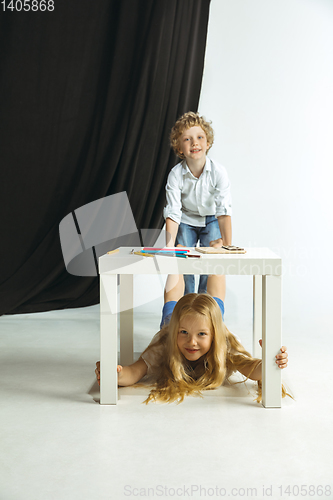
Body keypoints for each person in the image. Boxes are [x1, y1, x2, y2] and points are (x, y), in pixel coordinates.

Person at [95, 274, 289, 405]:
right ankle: (178, 261)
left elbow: (251, 368)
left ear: (214, 335)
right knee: (172, 301)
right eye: (184, 333)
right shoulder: (166, 341)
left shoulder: (223, 344)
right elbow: (135, 371)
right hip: (173, 321)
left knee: (216, 301)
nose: (192, 342)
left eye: (202, 335)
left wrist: (270, 362)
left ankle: (215, 257)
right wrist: (116, 374)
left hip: (207, 320)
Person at [163, 111, 232, 295]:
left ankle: (206, 306)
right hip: (186, 219)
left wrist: (227, 244)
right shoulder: (176, 175)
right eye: (187, 139)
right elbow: (173, 212)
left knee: (211, 265)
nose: (194, 142)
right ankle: (188, 303)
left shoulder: (218, 172)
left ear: (207, 143)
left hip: (211, 219)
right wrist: (169, 247)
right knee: (184, 264)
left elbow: (223, 210)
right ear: (179, 148)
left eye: (200, 137)